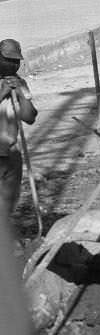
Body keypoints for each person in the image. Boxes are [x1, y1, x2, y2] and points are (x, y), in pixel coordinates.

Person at [0, 39, 39, 217]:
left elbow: (29, 118)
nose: (12, 64)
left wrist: (21, 94)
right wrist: (2, 93)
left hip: (11, 152)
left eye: (16, 61)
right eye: (8, 60)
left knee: (8, 205)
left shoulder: (20, 82)